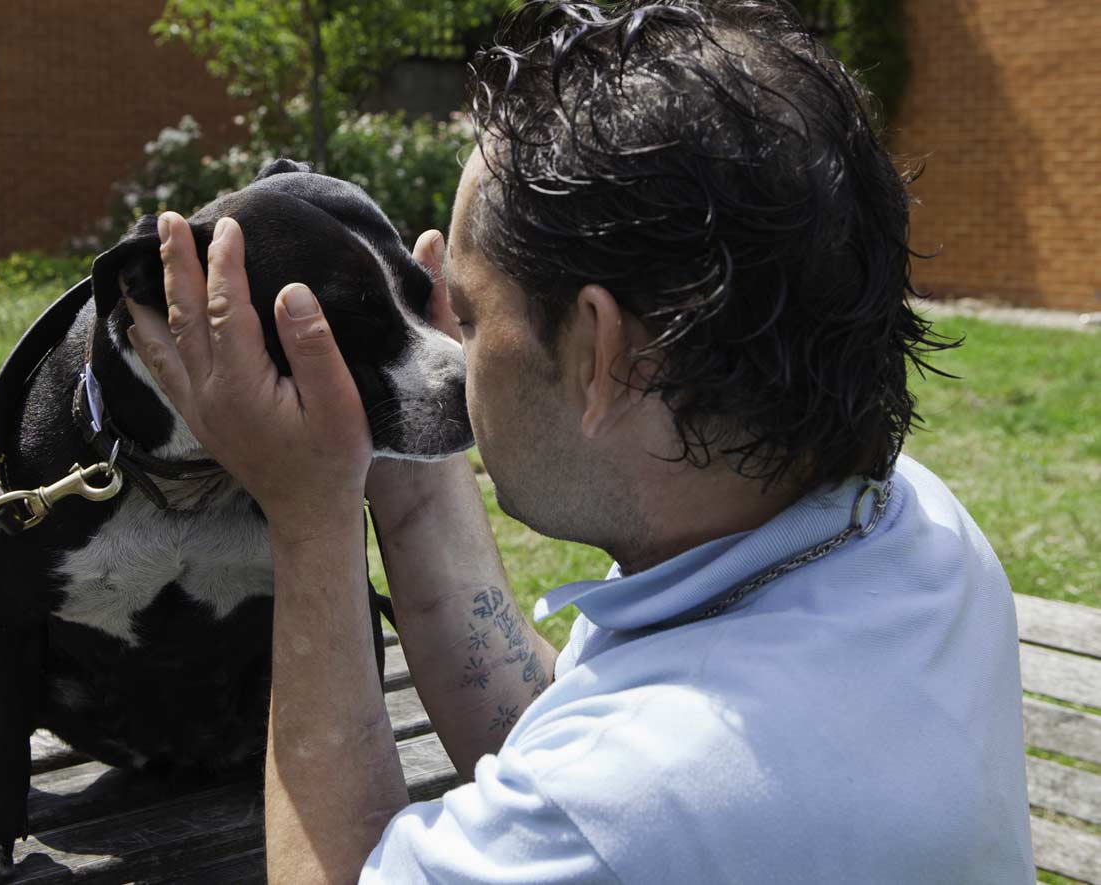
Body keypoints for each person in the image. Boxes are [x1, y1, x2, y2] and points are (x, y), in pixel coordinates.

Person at [125, 0, 1034, 881]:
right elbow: (548, 730)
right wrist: (388, 454)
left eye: (470, 315)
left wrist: (310, 514)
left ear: (604, 353)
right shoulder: (910, 528)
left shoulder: (628, 807)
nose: (450, 351)